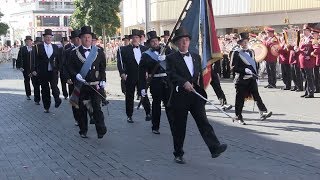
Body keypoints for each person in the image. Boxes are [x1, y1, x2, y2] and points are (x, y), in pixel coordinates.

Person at [166, 27, 227, 164]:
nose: (184, 43)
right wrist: (183, 83)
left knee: (203, 122)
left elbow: (198, 75)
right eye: (181, 41)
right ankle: (178, 153)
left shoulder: (195, 57)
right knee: (180, 127)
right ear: (177, 43)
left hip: (195, 95)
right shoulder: (171, 58)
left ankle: (214, 147)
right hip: (180, 96)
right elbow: (171, 75)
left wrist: (196, 85)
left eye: (186, 40)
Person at [68, 26, 107, 139]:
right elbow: (70, 67)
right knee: (81, 110)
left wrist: (103, 80)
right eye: (84, 37)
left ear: (91, 38)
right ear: (80, 39)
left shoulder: (98, 52)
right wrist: (76, 75)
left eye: (89, 37)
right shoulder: (74, 53)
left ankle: (101, 129)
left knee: (97, 108)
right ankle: (83, 130)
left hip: (95, 85)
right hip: (81, 85)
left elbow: (102, 68)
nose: (87, 39)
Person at [230, 32, 272, 125]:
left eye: (246, 41)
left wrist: (257, 76)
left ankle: (263, 112)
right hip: (241, 79)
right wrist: (244, 70)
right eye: (243, 42)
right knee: (240, 99)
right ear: (240, 43)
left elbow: (254, 64)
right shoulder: (236, 53)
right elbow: (233, 67)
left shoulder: (251, 51)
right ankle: (238, 116)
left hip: (251, 78)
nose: (245, 43)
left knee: (256, 95)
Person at [138, 31, 174, 134]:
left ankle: (173, 126)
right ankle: (155, 126)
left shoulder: (166, 50)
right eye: (152, 41)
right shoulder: (146, 55)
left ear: (159, 41)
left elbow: (175, 61)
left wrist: (166, 58)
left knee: (169, 105)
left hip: (167, 81)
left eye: (156, 41)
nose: (155, 43)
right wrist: (142, 88)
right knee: (156, 104)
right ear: (149, 43)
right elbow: (141, 73)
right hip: (155, 82)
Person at [117, 29, 151, 123]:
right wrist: (122, 73)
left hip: (141, 76)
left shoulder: (145, 49)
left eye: (137, 37)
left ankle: (148, 113)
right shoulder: (123, 49)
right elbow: (120, 63)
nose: (135, 39)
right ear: (131, 39)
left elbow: (148, 63)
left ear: (140, 39)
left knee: (143, 93)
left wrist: (147, 71)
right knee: (129, 96)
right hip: (130, 75)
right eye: (133, 37)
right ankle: (129, 115)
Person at [32, 29, 62, 113]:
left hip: (53, 71)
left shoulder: (55, 47)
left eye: (50, 37)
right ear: (44, 38)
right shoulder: (38, 47)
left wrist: (59, 69)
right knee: (45, 89)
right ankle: (46, 106)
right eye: (47, 37)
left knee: (54, 87)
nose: (48, 39)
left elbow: (59, 59)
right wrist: (33, 70)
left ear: (52, 38)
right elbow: (34, 59)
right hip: (42, 71)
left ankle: (57, 99)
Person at [64, 30, 82, 126]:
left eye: (79, 38)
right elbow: (65, 66)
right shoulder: (68, 52)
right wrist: (67, 78)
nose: (78, 40)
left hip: (85, 80)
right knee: (75, 100)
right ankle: (77, 118)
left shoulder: (87, 50)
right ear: (72, 40)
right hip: (73, 80)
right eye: (76, 39)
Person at [16, 36, 41, 104]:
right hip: (25, 68)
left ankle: (37, 99)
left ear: (31, 41)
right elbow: (19, 58)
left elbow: (38, 59)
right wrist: (20, 66)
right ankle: (28, 94)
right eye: (27, 41)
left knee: (35, 83)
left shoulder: (34, 49)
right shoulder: (22, 49)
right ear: (25, 42)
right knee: (27, 81)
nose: (28, 42)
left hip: (34, 69)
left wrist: (37, 69)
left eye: (29, 41)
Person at [296, 24, 315, 98]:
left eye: (306, 30)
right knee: (305, 77)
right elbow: (301, 50)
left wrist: (310, 55)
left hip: (309, 61)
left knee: (309, 77)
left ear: (309, 31)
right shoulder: (302, 39)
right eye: (303, 30)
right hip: (302, 60)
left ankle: (311, 92)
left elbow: (315, 50)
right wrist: (297, 50)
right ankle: (307, 91)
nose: (304, 32)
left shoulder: (312, 39)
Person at [311, 28, 320, 93]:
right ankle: (317, 88)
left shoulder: (317, 41)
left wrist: (312, 53)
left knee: (316, 74)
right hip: (315, 60)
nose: (313, 35)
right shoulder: (314, 40)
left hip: (317, 59)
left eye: (314, 34)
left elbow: (317, 50)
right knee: (315, 74)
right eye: (313, 34)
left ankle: (317, 88)